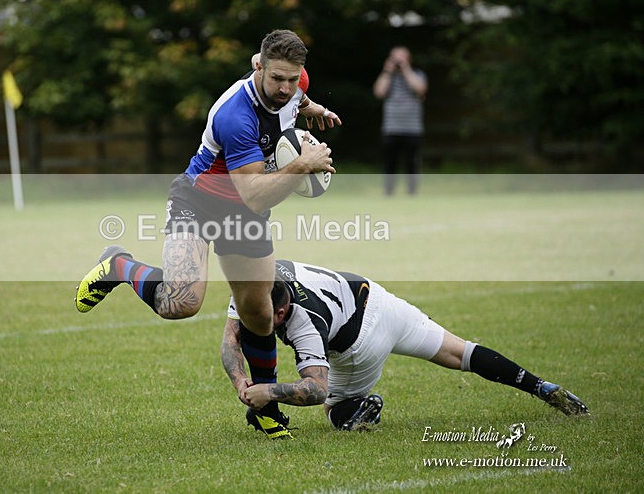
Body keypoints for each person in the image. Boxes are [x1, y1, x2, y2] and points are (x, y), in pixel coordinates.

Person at [75, 30, 342, 439]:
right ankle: (117, 265)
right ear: (258, 65)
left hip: (245, 209)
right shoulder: (236, 115)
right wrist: (303, 164)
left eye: (293, 79)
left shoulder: (293, 86)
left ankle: (265, 410)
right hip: (199, 202)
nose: (286, 88)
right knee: (180, 303)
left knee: (258, 312)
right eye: (277, 80)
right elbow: (252, 195)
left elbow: (298, 100)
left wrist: (313, 108)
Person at [221, 259, 590, 438]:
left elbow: (315, 389)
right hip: (380, 299)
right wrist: (239, 379)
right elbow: (230, 340)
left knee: (333, 406)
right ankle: (541, 386)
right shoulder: (256, 284)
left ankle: (357, 411)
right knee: (459, 352)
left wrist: (267, 390)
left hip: (359, 343)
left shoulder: (303, 322)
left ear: (281, 309)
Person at [373, 46, 427, 195]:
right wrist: (387, 71)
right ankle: (389, 192)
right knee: (390, 163)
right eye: (395, 58)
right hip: (391, 127)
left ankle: (412, 192)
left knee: (412, 163)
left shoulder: (417, 74)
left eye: (401, 58)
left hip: (413, 128)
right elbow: (379, 92)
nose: (398, 61)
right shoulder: (388, 77)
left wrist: (406, 69)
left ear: (409, 59)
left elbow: (420, 89)